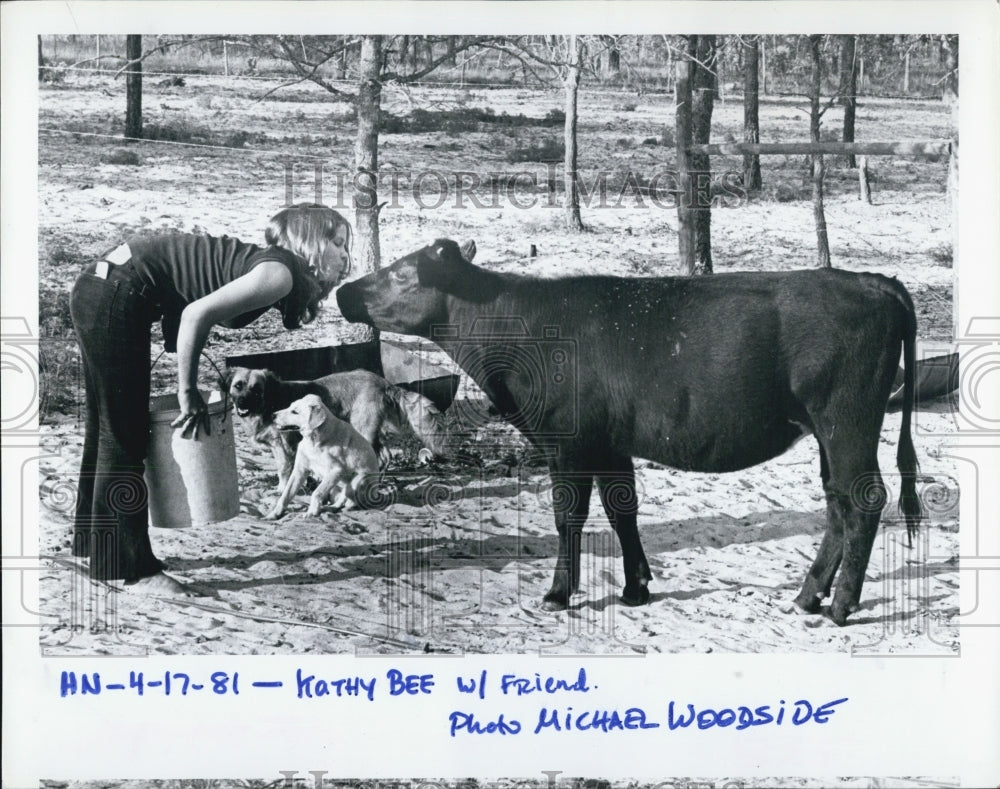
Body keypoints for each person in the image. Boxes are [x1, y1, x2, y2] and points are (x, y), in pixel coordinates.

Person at [69, 203, 352, 593]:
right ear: (311, 243)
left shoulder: (271, 265)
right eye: (337, 243)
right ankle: (127, 570)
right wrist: (188, 392)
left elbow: (186, 288)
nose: (345, 255)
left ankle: (93, 546)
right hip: (116, 291)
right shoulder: (279, 274)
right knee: (124, 433)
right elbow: (195, 315)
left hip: (104, 284)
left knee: (106, 423)